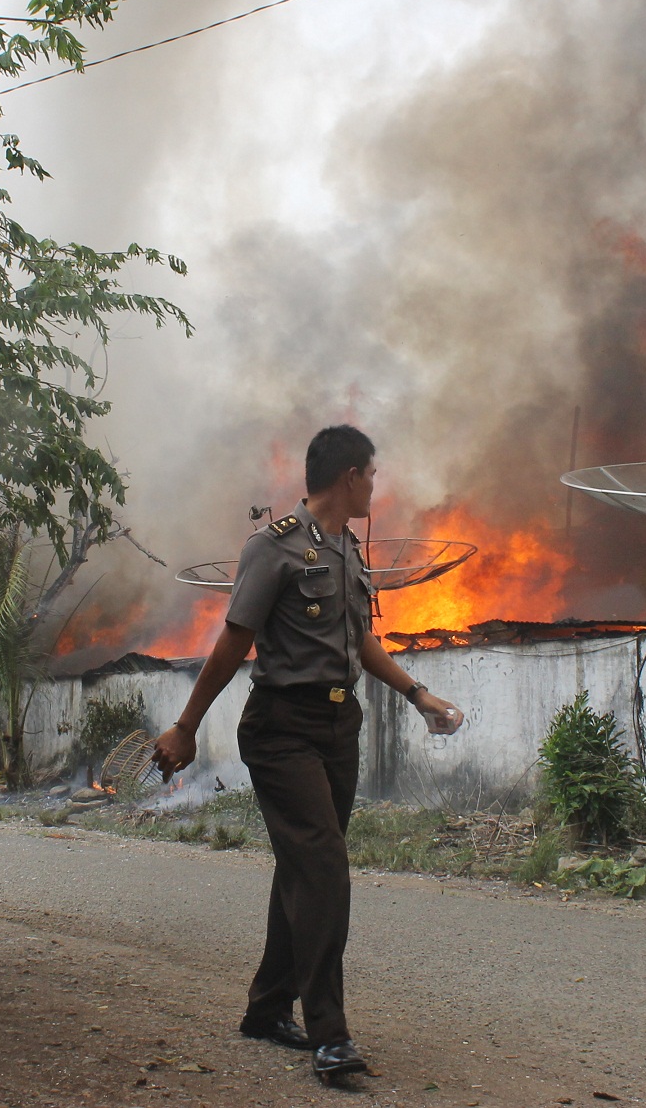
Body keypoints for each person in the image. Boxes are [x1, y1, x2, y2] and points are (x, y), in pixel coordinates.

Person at [151, 425, 464, 1085]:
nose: (376, 485)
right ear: (348, 476)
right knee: (323, 869)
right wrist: (185, 726)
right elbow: (234, 642)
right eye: (371, 475)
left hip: (336, 725)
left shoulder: (348, 551)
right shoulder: (274, 547)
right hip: (281, 727)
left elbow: (361, 643)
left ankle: (266, 1009)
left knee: (305, 869)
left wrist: (418, 694)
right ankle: (330, 1035)